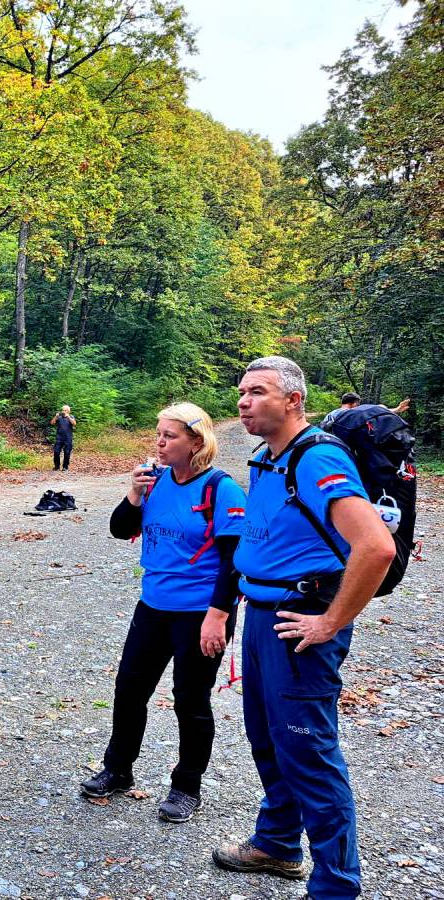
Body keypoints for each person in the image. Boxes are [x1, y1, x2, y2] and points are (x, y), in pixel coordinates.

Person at [212, 356, 395, 899]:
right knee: (268, 739)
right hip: (264, 618)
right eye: (242, 392)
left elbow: (376, 547)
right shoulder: (268, 458)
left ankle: (336, 887)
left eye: (259, 392)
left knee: (309, 753)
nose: (244, 401)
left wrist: (332, 620)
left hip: (301, 622)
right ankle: (278, 842)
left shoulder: (316, 459)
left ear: (294, 400)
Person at [81, 403, 245, 823]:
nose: (159, 442)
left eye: (170, 435)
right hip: (152, 606)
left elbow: (234, 562)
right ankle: (118, 769)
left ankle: (187, 786)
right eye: (158, 433)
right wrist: (133, 493)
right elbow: (120, 529)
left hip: (199, 613)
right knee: (129, 689)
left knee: (190, 700)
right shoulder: (154, 483)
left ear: (196, 441)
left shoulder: (220, 489)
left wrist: (219, 615)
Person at [321, 391, 411, 430]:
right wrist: (397, 409)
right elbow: (377, 410)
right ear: (355, 403)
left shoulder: (331, 414)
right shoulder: (353, 414)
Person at [50, 405, 76, 471]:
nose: (63, 411)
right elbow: (52, 423)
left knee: (67, 453)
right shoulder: (59, 417)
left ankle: (65, 467)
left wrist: (68, 417)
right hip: (59, 437)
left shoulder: (71, 417)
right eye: (63, 410)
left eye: (65, 410)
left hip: (68, 438)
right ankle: (57, 466)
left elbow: (74, 424)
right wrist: (56, 416)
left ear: (68, 411)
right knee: (56, 452)